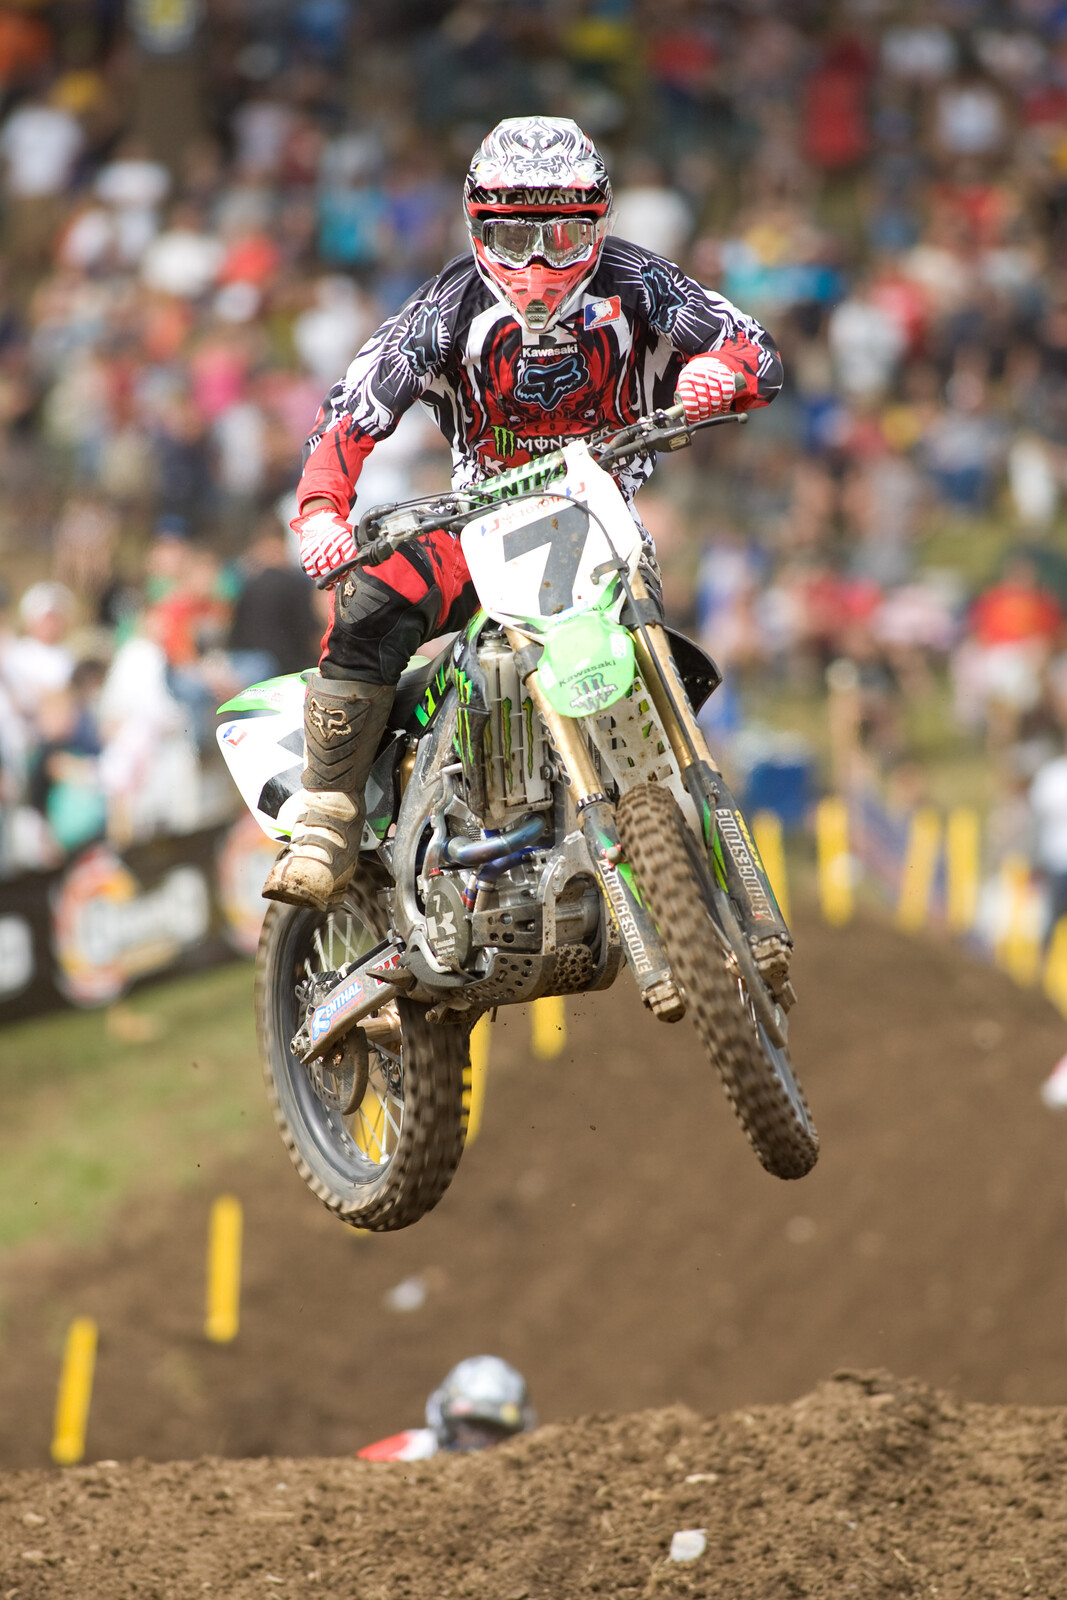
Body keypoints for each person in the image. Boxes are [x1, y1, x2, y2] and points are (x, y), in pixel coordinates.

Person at [264, 114, 782, 912]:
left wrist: (723, 373)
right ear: (479, 228)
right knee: (370, 593)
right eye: (514, 236)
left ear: (596, 224)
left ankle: (670, 823)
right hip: (479, 519)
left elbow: (755, 347)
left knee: (649, 636)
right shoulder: (445, 308)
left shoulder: (640, 282)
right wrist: (321, 512)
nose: (538, 261)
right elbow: (353, 409)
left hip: (595, 517)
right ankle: (327, 819)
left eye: (560, 235)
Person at [357, 1355, 535, 1461]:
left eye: (495, 1431)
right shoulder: (406, 1452)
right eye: (470, 1427)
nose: (482, 1444)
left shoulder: (528, 1475)